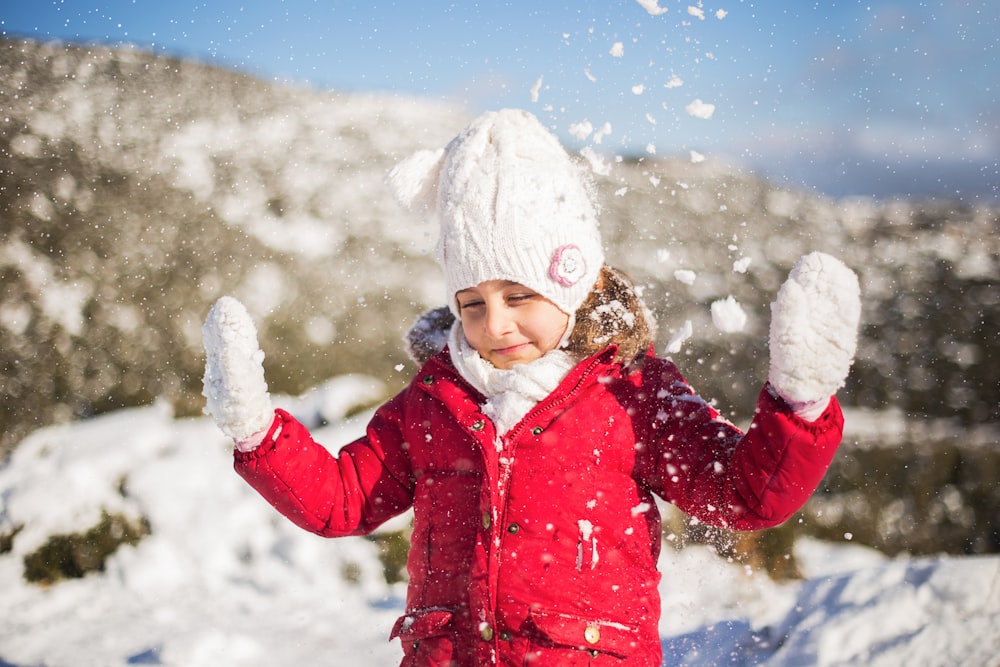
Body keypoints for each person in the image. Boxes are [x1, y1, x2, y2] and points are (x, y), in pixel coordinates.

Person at [201, 109, 861, 666]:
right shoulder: (433, 404)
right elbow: (342, 499)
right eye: (471, 302)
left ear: (572, 279)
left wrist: (799, 406)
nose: (497, 324)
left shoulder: (632, 392)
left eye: (519, 295)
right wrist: (257, 433)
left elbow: (741, 492)